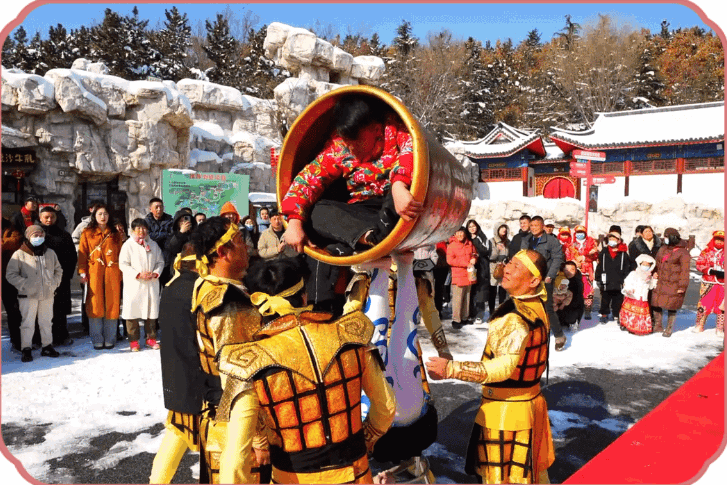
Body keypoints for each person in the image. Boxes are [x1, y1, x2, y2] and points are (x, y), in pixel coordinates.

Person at [215, 257, 396, 484]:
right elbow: (386, 406)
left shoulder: (247, 362)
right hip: (355, 472)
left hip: (290, 477)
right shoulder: (350, 336)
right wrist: (365, 439)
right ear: (303, 296)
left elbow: (235, 455)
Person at [425, 249, 554, 484]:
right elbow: (498, 272)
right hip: (530, 406)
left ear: (534, 281)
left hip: (506, 413)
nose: (507, 269)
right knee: (530, 476)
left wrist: (451, 368)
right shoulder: (536, 304)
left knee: (502, 479)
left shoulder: (514, 317)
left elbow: (503, 368)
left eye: (515, 267)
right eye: (509, 263)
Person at [281, 93, 423, 256]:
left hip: (396, 203)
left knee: (395, 194)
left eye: (355, 144)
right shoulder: (339, 149)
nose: (351, 150)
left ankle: (357, 243)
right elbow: (308, 179)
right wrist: (294, 222)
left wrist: (399, 185)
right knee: (316, 213)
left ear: (376, 130)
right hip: (363, 213)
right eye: (346, 144)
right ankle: (368, 238)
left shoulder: (396, 130)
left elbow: (413, 150)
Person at [189, 217, 268, 483]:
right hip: (237, 425)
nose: (247, 246)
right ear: (222, 252)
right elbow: (237, 376)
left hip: (218, 414)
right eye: (239, 242)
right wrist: (258, 436)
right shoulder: (229, 303)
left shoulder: (206, 285)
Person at [149, 244, 206, 483]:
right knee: (212, 442)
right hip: (200, 377)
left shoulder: (171, 286)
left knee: (177, 433)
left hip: (176, 374)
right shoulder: (199, 289)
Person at [6, 225, 63, 362]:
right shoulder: (19, 254)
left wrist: (54, 283)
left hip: (47, 294)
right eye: (34, 235)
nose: (38, 238)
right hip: (28, 296)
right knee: (27, 323)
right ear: (28, 237)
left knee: (46, 322)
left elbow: (58, 270)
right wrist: (25, 285)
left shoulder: (50, 253)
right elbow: (10, 274)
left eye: (40, 235)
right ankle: (26, 348)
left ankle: (47, 346)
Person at [78, 203, 123, 350]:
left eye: (105, 214)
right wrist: (82, 272)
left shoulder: (115, 233)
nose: (103, 217)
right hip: (94, 271)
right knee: (95, 303)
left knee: (112, 303)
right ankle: (97, 338)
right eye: (100, 214)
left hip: (113, 271)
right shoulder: (87, 232)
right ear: (94, 216)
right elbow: (82, 253)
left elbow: (122, 254)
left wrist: (122, 272)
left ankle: (110, 338)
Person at [521, 215, 566, 351]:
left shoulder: (551, 241)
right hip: (529, 280)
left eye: (536, 225)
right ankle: (531, 336)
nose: (533, 228)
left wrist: (550, 276)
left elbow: (558, 258)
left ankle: (559, 336)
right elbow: (522, 257)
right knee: (529, 307)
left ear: (542, 226)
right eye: (532, 226)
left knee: (547, 308)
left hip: (545, 278)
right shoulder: (526, 240)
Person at [119, 218, 164, 352]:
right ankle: (133, 340)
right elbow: (123, 264)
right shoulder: (128, 245)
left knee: (151, 311)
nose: (141, 231)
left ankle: (151, 338)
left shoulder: (153, 245)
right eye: (138, 228)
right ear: (133, 230)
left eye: (144, 228)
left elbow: (160, 262)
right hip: (135, 284)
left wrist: (156, 273)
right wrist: (138, 274)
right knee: (132, 313)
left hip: (151, 284)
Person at [38, 206, 77, 347]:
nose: (49, 220)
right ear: (40, 218)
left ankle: (61, 336)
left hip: (60, 279)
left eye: (52, 217)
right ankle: (40, 339)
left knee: (59, 310)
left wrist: (66, 275)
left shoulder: (64, 235)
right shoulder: (35, 235)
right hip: (40, 279)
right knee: (41, 310)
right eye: (46, 217)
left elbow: (72, 256)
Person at [651, 228, 690, 337]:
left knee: (672, 304)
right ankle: (658, 325)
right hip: (660, 280)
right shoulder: (663, 248)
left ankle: (669, 328)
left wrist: (682, 286)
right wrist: (654, 272)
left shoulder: (683, 252)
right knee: (656, 302)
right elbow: (657, 262)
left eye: (667, 236)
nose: (665, 239)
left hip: (674, 282)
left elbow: (685, 271)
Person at [595, 231, 631, 327]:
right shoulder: (604, 251)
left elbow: (627, 267)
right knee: (605, 298)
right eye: (610, 239)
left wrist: (626, 279)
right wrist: (597, 277)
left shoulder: (623, 253)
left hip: (618, 280)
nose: (612, 241)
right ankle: (604, 314)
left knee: (618, 299)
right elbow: (599, 265)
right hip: (605, 279)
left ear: (619, 241)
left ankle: (617, 314)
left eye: (614, 239)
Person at [694, 230, 724, 335]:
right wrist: (710, 271)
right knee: (704, 304)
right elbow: (699, 264)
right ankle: (699, 325)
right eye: (718, 239)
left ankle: (720, 328)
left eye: (722, 240)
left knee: (722, 306)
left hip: (723, 283)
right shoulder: (706, 251)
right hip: (708, 281)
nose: (720, 242)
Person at [446, 226, 477, 329]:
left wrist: (474, 259)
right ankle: (456, 319)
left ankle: (464, 317)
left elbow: (474, 254)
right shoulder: (451, 246)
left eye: (461, 233)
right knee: (457, 299)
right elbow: (450, 260)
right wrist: (466, 263)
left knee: (467, 298)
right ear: (454, 234)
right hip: (458, 275)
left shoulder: (469, 243)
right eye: (457, 233)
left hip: (469, 275)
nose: (460, 235)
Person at [566, 225, 599, 320]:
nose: (580, 234)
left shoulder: (591, 243)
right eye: (578, 233)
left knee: (588, 290)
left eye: (582, 232)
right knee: (575, 288)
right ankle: (576, 308)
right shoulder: (571, 244)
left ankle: (587, 309)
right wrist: (574, 262)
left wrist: (585, 258)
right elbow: (568, 256)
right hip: (575, 270)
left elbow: (595, 255)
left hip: (587, 270)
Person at [620, 254, 657, 335]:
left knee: (640, 313)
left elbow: (651, 286)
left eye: (647, 265)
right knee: (630, 312)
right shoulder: (634, 273)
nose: (645, 266)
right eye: (644, 264)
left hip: (643, 297)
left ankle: (640, 327)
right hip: (633, 296)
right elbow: (627, 281)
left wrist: (654, 279)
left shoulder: (648, 276)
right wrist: (629, 289)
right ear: (640, 264)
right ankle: (627, 325)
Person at [2, 217, 24, 352]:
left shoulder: (10, 227)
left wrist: (2, 244)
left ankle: (17, 341)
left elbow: (16, 241)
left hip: (7, 276)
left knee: (13, 310)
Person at [467, 219, 490, 324]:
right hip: (470, 267)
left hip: (481, 267)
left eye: (473, 226)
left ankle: (480, 315)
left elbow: (485, 251)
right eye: (470, 227)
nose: (472, 228)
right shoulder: (466, 238)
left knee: (480, 291)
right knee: (471, 291)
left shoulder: (482, 237)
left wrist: (475, 239)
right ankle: (471, 313)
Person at [163, 209, 198, 278]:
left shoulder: (196, 234)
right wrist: (181, 233)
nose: (185, 222)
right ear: (177, 223)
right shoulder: (172, 235)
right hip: (178, 270)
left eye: (186, 219)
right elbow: (172, 248)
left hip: (195, 269)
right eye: (181, 220)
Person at [487, 224, 509, 315]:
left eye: (505, 228)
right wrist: (497, 249)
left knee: (502, 291)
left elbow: (509, 254)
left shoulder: (508, 242)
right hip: (493, 268)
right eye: (501, 228)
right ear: (497, 229)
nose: (504, 229)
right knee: (492, 291)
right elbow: (490, 256)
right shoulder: (491, 241)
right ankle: (491, 311)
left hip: (504, 268)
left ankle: (501, 310)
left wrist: (505, 260)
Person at [559, 261, 585, 329]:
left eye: (572, 269)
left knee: (570, 318)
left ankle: (574, 322)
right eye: (566, 270)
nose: (569, 272)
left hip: (573, 308)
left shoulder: (578, 282)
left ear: (576, 270)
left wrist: (564, 304)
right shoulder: (560, 280)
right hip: (561, 306)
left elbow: (577, 301)